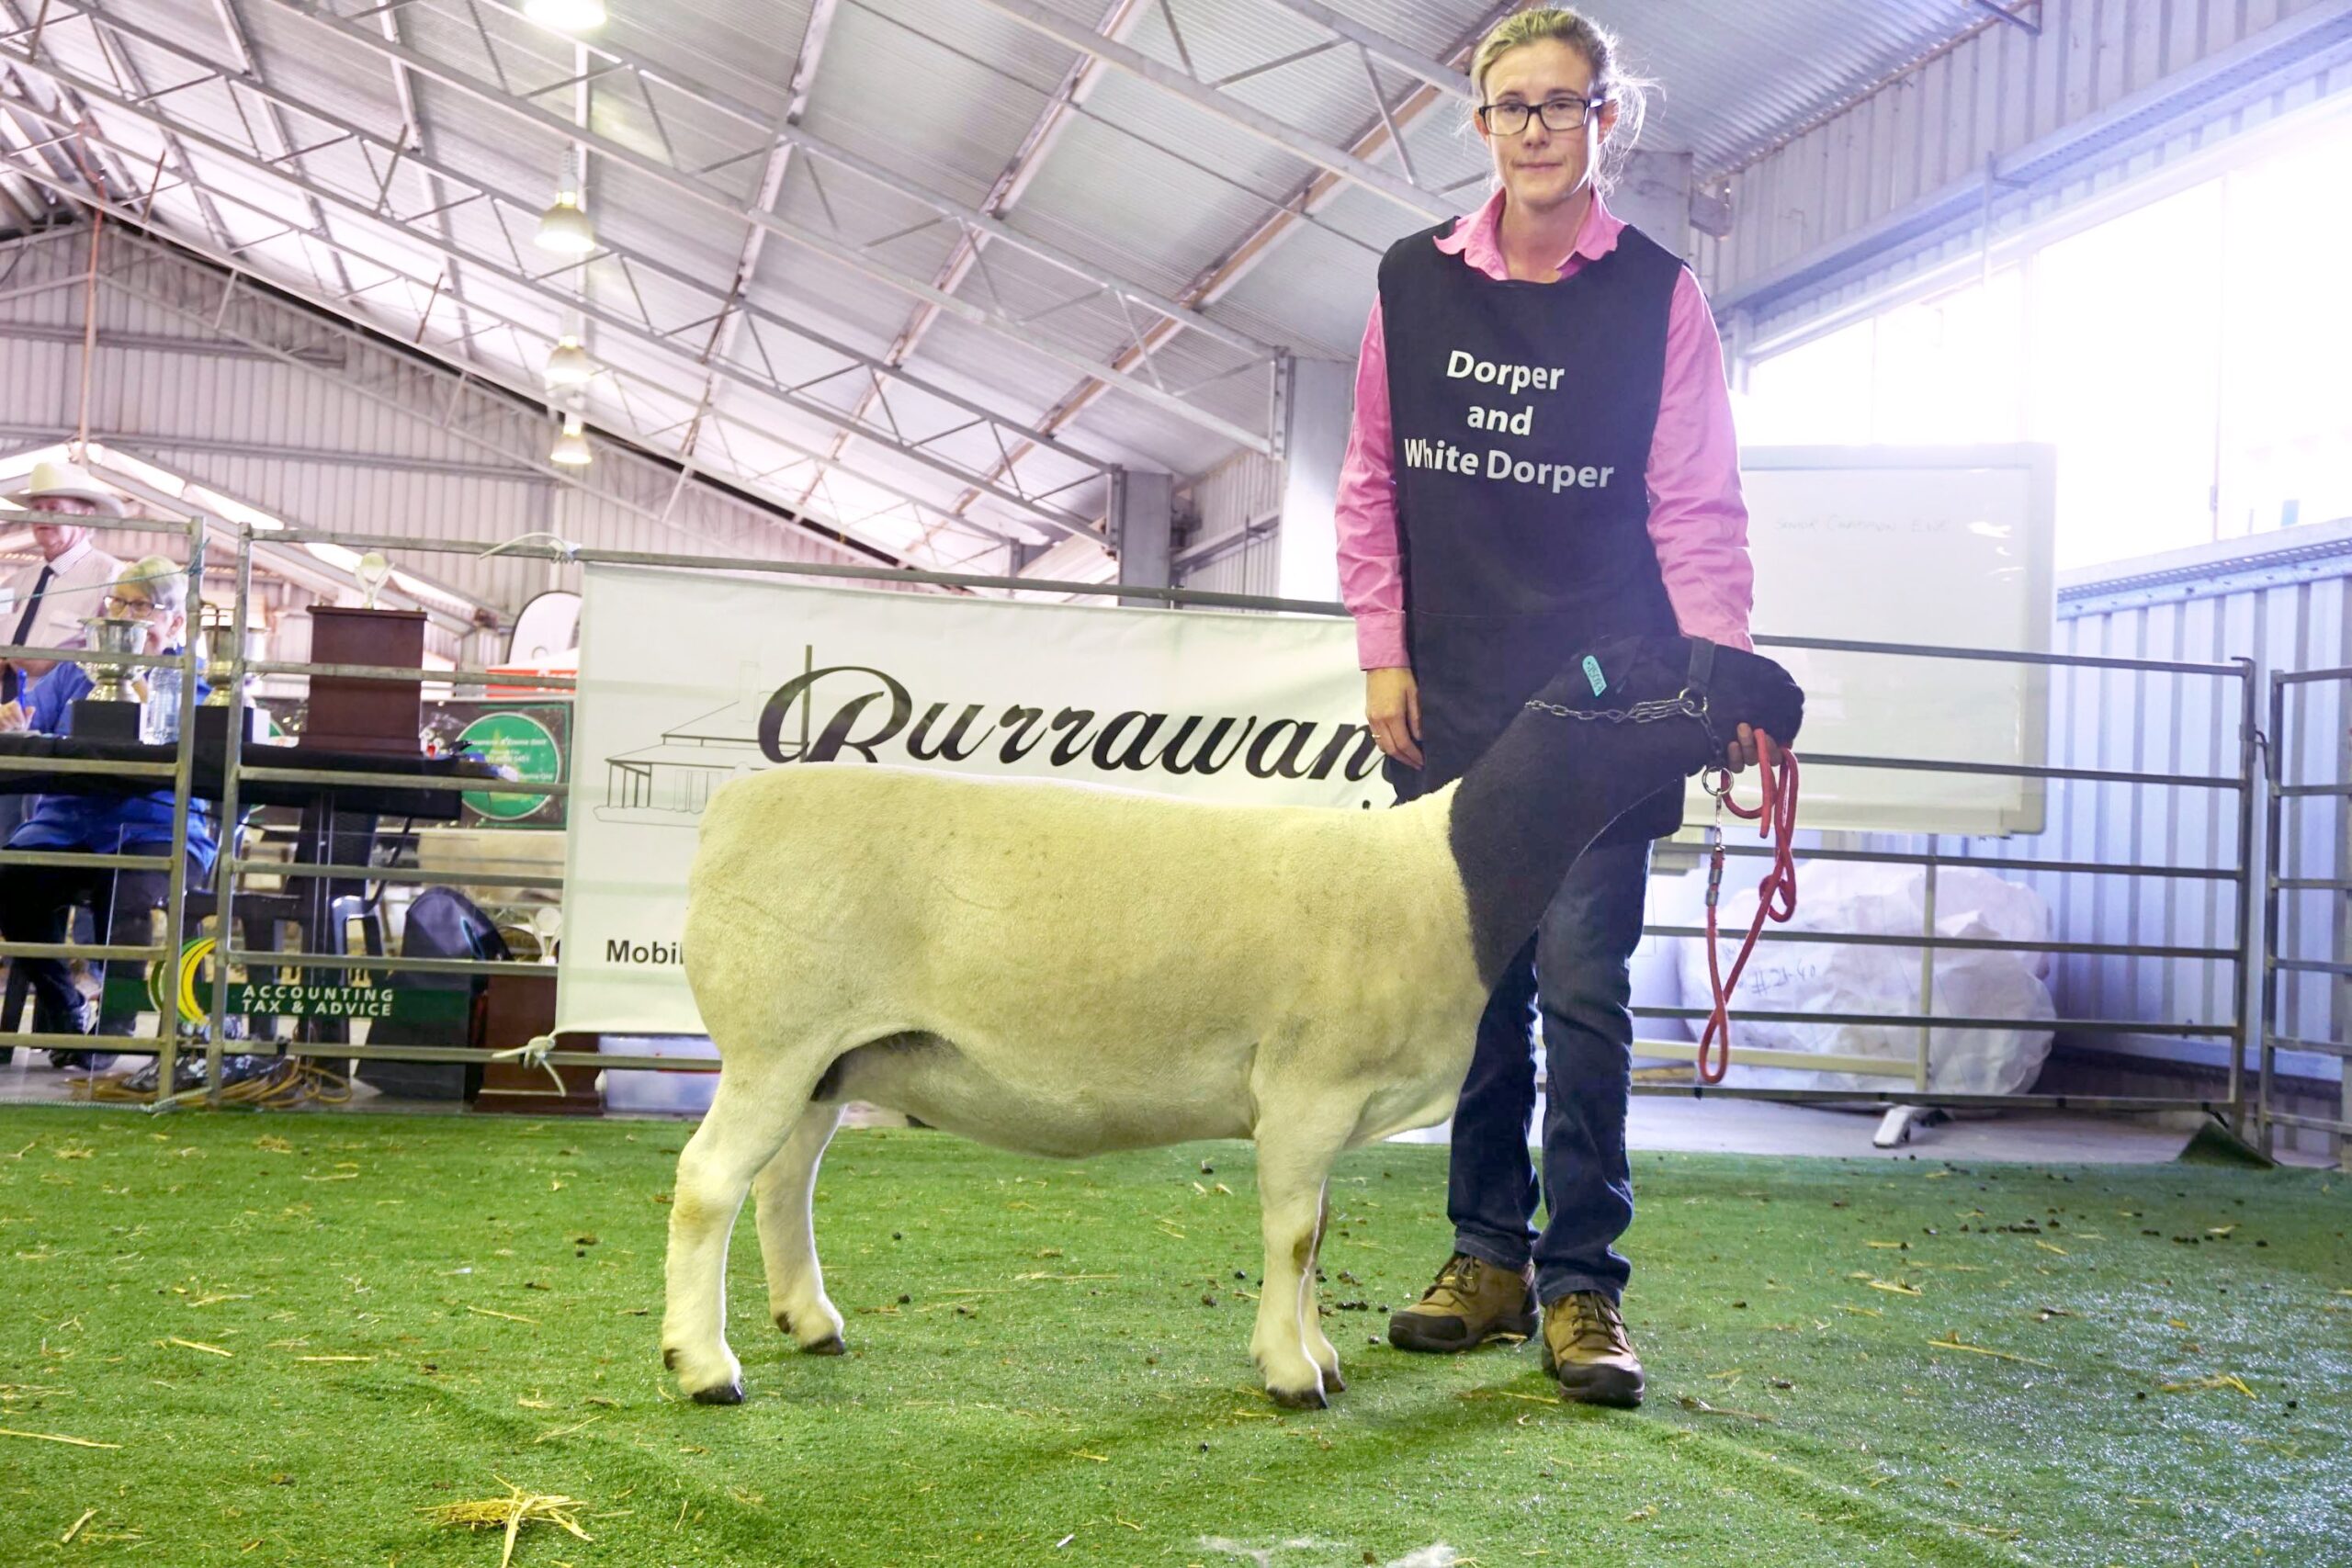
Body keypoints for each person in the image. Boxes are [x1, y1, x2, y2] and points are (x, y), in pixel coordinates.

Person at [1334, 7, 1755, 1409]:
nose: (1533, 129)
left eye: (1560, 106)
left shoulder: (1660, 298)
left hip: (1607, 704)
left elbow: (1695, 501)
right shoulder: (1410, 281)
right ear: (1478, 124)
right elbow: (1372, 483)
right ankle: (1483, 1254)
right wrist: (1381, 648)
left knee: (1582, 988)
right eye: (1510, 106)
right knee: (1473, 994)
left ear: (1603, 122)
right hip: (1451, 692)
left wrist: (1720, 668)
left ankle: (1584, 1281)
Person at [0, 556, 213, 1056]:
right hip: (64, 825)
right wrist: (13, 721)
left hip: (156, 829)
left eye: (142, 605)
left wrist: (138, 676)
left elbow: (189, 747)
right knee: (12, 878)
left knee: (129, 893)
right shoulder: (76, 671)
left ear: (176, 622)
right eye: (117, 601)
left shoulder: (195, 681)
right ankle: (63, 1008)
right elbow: (33, 719)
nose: (125, 614)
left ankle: (112, 1027)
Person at [0, 461, 127, 848]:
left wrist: (46, 663)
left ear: (85, 516)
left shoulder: (113, 578)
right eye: (38, 509)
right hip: (6, 722)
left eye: (55, 509)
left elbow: (115, 659)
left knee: (39, 827)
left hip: (56, 730)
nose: (43, 518)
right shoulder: (14, 581)